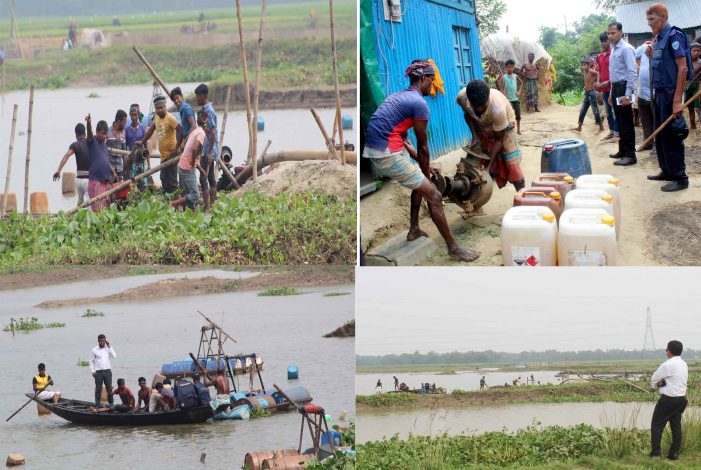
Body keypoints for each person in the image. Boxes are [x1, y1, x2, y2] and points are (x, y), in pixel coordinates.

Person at [363, 59, 480, 262]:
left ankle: (414, 229)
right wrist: (426, 171)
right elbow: (423, 147)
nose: (433, 85)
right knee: (434, 195)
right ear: (424, 78)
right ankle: (453, 248)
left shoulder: (401, 97)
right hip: (385, 151)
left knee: (420, 183)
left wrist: (423, 168)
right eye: (432, 80)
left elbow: (406, 141)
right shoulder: (419, 104)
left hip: (383, 146)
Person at [646, 3, 693, 192]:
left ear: (663, 16)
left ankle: (680, 178)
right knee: (661, 134)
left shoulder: (674, 35)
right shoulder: (658, 38)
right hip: (659, 93)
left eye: (652, 19)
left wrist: (676, 101)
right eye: (648, 20)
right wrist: (650, 55)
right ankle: (666, 170)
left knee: (672, 136)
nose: (649, 23)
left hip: (670, 94)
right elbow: (662, 64)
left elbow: (682, 68)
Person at [458, 79, 525, 192]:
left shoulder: (498, 110)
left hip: (505, 127)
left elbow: (498, 140)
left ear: (487, 98)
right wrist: (476, 137)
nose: (479, 109)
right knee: (473, 162)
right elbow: (467, 116)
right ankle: (473, 198)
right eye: (476, 106)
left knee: (512, 166)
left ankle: (523, 195)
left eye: (482, 106)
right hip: (484, 125)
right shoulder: (462, 98)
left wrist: (488, 169)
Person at [650, 340, 688, 460]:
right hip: (681, 400)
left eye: (666, 350)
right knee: (676, 427)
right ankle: (674, 454)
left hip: (668, 400)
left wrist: (653, 387)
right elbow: (673, 380)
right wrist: (663, 383)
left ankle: (656, 453)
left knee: (657, 426)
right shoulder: (684, 364)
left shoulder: (667, 364)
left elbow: (654, 379)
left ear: (669, 352)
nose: (666, 352)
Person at [607, 22, 638, 167]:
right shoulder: (614, 49)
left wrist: (627, 94)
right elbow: (614, 74)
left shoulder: (626, 49)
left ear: (621, 32)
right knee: (619, 120)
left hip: (624, 88)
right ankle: (622, 150)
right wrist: (611, 94)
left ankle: (630, 155)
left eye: (613, 33)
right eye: (609, 33)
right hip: (616, 89)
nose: (610, 36)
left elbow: (632, 72)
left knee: (626, 121)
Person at [138, 95, 182, 193]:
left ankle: (175, 204)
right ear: (156, 109)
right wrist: (142, 141)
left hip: (171, 155)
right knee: (164, 179)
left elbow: (180, 131)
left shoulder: (170, 118)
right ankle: (168, 202)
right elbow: (150, 131)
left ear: (165, 107)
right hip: (163, 156)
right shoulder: (156, 118)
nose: (160, 110)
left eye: (162, 107)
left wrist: (176, 147)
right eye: (158, 108)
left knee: (172, 182)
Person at [172, 109, 207, 211]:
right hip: (187, 167)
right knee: (195, 195)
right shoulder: (201, 133)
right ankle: (174, 203)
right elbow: (195, 149)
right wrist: (192, 162)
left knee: (188, 194)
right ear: (206, 120)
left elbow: (191, 151)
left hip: (182, 165)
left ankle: (190, 215)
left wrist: (200, 169)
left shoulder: (195, 130)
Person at [195, 84, 219, 211]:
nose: (196, 99)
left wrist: (209, 152)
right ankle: (213, 203)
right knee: (210, 177)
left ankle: (207, 206)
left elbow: (212, 132)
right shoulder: (207, 108)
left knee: (204, 177)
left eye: (197, 96)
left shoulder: (208, 110)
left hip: (208, 150)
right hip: (209, 149)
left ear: (202, 96)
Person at [53, 123, 91, 204]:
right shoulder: (90, 144)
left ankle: (78, 215)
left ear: (76, 134)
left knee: (80, 202)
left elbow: (66, 156)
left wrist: (58, 170)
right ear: (85, 133)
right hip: (88, 179)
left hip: (79, 180)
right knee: (89, 203)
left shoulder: (75, 145)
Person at [85, 114, 117, 211]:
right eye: (102, 134)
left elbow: (106, 161)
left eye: (106, 134)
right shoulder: (92, 141)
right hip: (96, 181)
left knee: (107, 208)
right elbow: (89, 134)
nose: (104, 136)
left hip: (105, 181)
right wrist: (89, 123)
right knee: (98, 210)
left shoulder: (104, 146)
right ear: (97, 133)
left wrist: (113, 171)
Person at [596, 31, 619, 141]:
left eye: (605, 41)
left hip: (613, 87)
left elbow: (616, 71)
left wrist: (609, 82)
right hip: (604, 88)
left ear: (609, 41)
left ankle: (617, 133)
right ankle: (611, 131)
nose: (604, 43)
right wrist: (598, 84)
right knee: (608, 112)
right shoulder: (599, 56)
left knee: (615, 111)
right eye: (602, 42)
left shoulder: (613, 54)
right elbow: (599, 71)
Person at [572, 58, 604, 134]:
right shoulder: (584, 72)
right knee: (583, 110)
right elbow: (586, 80)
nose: (583, 67)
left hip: (592, 93)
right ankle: (579, 127)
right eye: (582, 65)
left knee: (595, 110)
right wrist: (585, 86)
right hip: (587, 93)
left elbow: (598, 73)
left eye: (585, 65)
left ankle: (601, 127)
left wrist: (598, 82)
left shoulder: (591, 71)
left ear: (589, 65)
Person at [635, 41, 655, 152]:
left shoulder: (658, 52)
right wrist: (643, 45)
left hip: (654, 92)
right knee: (645, 120)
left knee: (656, 119)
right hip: (642, 91)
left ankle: (657, 145)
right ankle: (648, 142)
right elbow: (634, 54)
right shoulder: (643, 50)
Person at [89, 334, 116, 406]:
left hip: (107, 371)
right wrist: (92, 371)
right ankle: (97, 405)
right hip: (98, 372)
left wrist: (109, 346)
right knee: (98, 389)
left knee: (109, 389)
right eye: (101, 341)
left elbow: (114, 356)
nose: (102, 343)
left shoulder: (108, 349)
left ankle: (111, 404)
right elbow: (91, 361)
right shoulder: (94, 350)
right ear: (98, 341)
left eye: (104, 341)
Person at [497, 59, 523, 134]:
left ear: (514, 68)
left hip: (515, 99)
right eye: (509, 67)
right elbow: (499, 84)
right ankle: (508, 130)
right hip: (508, 100)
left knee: (518, 115)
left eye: (512, 67)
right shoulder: (504, 77)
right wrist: (502, 93)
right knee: (508, 116)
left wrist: (520, 91)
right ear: (506, 68)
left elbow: (521, 83)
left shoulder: (515, 76)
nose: (510, 69)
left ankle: (518, 130)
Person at [106, 110, 128, 182]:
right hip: (109, 168)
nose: (125, 124)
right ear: (119, 122)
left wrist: (126, 167)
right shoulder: (107, 132)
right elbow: (103, 151)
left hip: (119, 168)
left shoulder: (123, 133)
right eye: (124, 122)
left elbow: (124, 152)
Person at [685, 43, 701, 130]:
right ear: (690, 52)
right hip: (688, 85)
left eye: (698, 51)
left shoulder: (700, 63)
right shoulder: (686, 62)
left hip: (697, 86)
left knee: (699, 106)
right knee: (690, 106)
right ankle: (693, 125)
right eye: (694, 50)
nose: (696, 52)